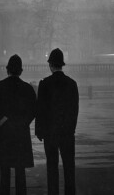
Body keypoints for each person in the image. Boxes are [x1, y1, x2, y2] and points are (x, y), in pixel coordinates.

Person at [0, 54, 36, 195]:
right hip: (21, 133)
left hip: (4, 134)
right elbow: (32, 110)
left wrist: (4, 122)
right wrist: (22, 123)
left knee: (5, 172)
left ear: (7, 69)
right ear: (21, 71)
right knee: (20, 171)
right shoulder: (27, 89)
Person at [35, 48, 79, 195]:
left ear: (51, 65)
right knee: (69, 168)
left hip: (50, 133)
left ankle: (53, 192)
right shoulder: (72, 84)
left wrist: (39, 131)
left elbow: (40, 109)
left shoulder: (45, 84)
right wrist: (71, 129)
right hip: (66, 132)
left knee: (52, 168)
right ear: (62, 64)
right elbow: (74, 110)